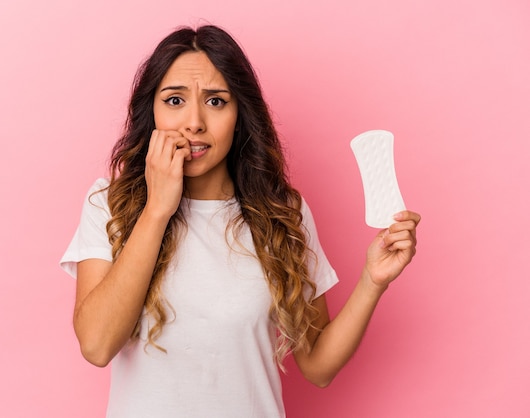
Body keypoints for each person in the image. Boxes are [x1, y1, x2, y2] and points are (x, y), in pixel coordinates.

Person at [60, 24, 420, 418]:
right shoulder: (109, 205)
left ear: (239, 115)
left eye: (215, 102)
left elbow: (317, 367)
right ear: (152, 112)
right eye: (175, 100)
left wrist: (373, 281)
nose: (194, 122)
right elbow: (96, 345)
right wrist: (158, 208)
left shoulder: (282, 213)